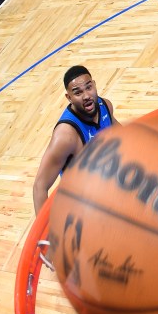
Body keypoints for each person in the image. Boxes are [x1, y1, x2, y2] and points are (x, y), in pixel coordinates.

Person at [32, 65, 115, 215]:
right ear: (69, 98)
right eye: (78, 93)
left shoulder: (105, 106)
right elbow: (40, 186)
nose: (86, 96)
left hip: (107, 187)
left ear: (94, 85)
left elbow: (123, 138)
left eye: (89, 87)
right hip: (83, 206)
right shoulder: (66, 136)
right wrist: (47, 235)